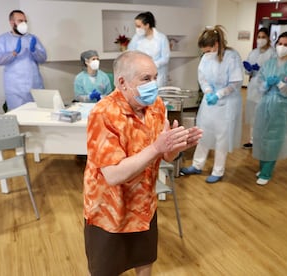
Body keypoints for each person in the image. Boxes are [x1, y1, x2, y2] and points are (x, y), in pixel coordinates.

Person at [83, 50, 203, 276]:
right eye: (146, 79)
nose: (154, 84)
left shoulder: (156, 106)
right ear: (122, 82)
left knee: (145, 261)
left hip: (144, 204)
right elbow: (113, 175)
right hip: (109, 209)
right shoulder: (103, 114)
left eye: (155, 77)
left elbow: (165, 157)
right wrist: (157, 147)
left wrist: (175, 147)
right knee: (105, 269)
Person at [180, 25, 243, 184]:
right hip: (210, 101)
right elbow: (202, 77)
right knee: (203, 132)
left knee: (222, 137)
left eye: (208, 50)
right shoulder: (206, 57)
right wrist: (208, 91)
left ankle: (218, 170)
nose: (205, 54)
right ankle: (197, 165)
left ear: (216, 44)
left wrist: (219, 94)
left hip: (227, 102)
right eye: (204, 51)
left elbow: (235, 82)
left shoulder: (231, 56)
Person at [252, 31, 287, 185]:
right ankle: (262, 167)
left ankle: (267, 172)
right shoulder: (269, 63)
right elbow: (259, 84)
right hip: (265, 102)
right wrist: (266, 84)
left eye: (286, 44)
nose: (282, 47)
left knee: (274, 138)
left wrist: (281, 84)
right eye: (280, 44)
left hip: (282, 106)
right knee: (261, 136)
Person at [0, 10, 47, 111]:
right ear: (11, 22)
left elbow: (43, 58)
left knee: (37, 116)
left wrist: (34, 51)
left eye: (25, 21)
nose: (24, 24)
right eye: (20, 21)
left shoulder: (32, 38)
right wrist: (13, 53)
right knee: (19, 118)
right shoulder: (3, 39)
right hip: (15, 88)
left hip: (34, 85)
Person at [242, 27, 276, 149]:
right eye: (259, 37)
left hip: (266, 88)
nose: (260, 39)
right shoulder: (253, 53)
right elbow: (248, 71)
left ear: (268, 38)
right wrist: (249, 68)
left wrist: (261, 70)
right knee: (254, 116)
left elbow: (274, 71)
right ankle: (252, 140)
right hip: (253, 87)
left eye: (263, 37)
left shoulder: (272, 53)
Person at [128, 11, 170, 87]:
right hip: (140, 75)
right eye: (136, 26)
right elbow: (130, 54)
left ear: (147, 25)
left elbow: (165, 58)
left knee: (155, 97)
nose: (137, 29)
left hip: (157, 77)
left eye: (138, 26)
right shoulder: (136, 38)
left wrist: (151, 65)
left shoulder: (161, 38)